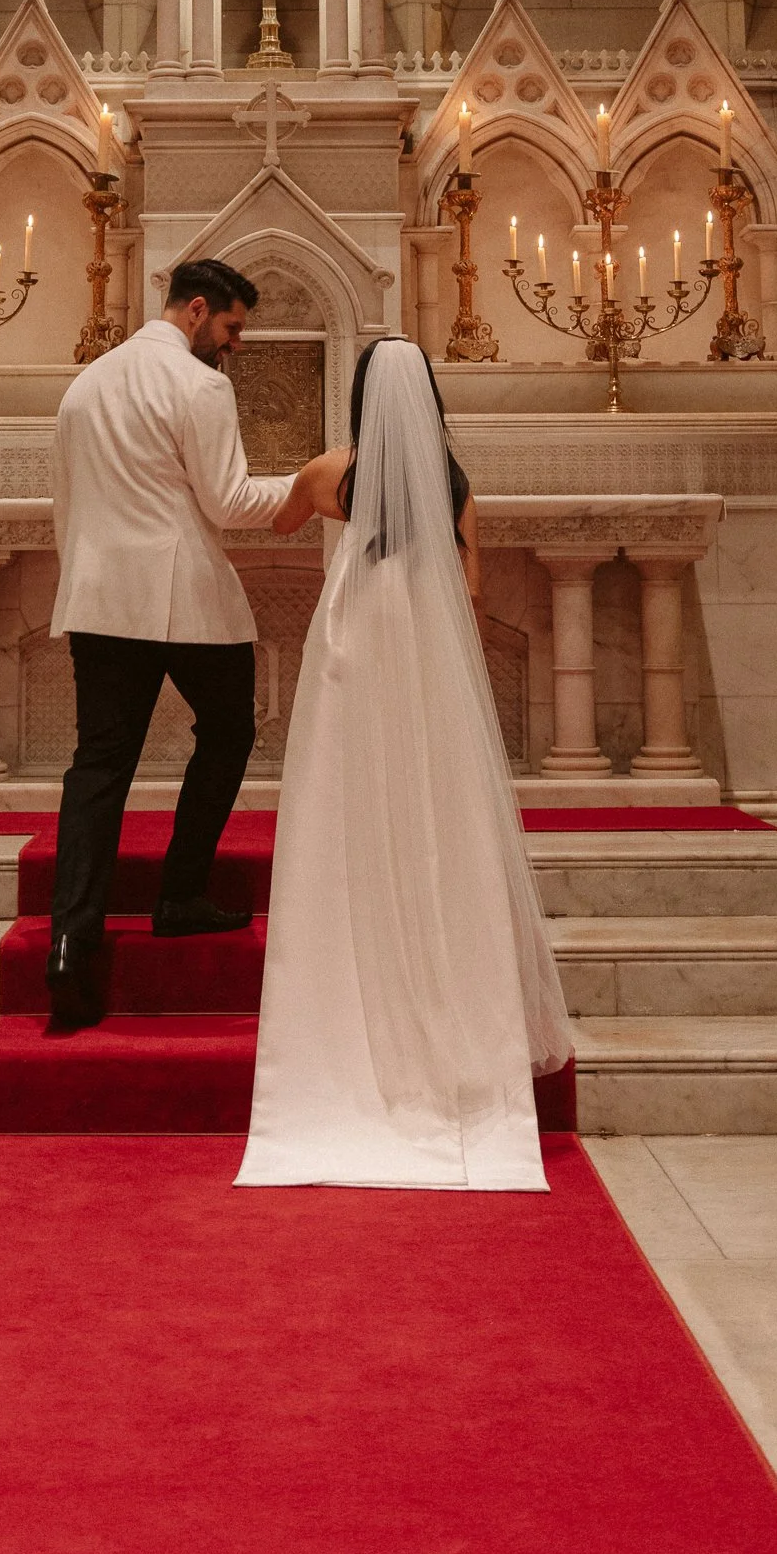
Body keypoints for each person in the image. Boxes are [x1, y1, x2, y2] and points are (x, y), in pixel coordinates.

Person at [238, 338, 571, 1190]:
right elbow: (472, 592)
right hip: (423, 655)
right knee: (434, 797)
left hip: (355, 644)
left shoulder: (327, 473)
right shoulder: (453, 483)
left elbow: (272, 521)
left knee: (344, 793)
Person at [45, 259, 295, 1028]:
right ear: (195, 311)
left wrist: (87, 579)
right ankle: (181, 896)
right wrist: (314, 489)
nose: (236, 345)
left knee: (99, 764)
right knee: (228, 731)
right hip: (182, 597)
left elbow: (68, 502)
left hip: (97, 596)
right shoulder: (198, 386)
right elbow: (229, 502)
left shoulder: (85, 383)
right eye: (232, 327)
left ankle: (69, 940)